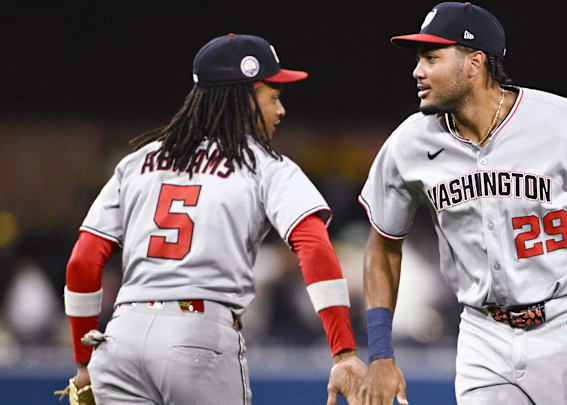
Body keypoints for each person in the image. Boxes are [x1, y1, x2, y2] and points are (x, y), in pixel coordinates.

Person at [358, 3, 567, 404]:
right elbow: (383, 245)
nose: (417, 71)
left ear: (474, 63)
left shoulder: (564, 124)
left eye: (431, 57)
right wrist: (381, 354)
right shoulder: (409, 144)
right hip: (482, 335)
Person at [60, 33, 366, 405]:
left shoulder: (137, 162)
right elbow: (314, 247)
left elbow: (82, 261)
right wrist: (344, 352)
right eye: (274, 96)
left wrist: (83, 362)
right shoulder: (265, 166)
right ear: (246, 96)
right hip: (198, 337)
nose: (281, 110)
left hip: (121, 337)